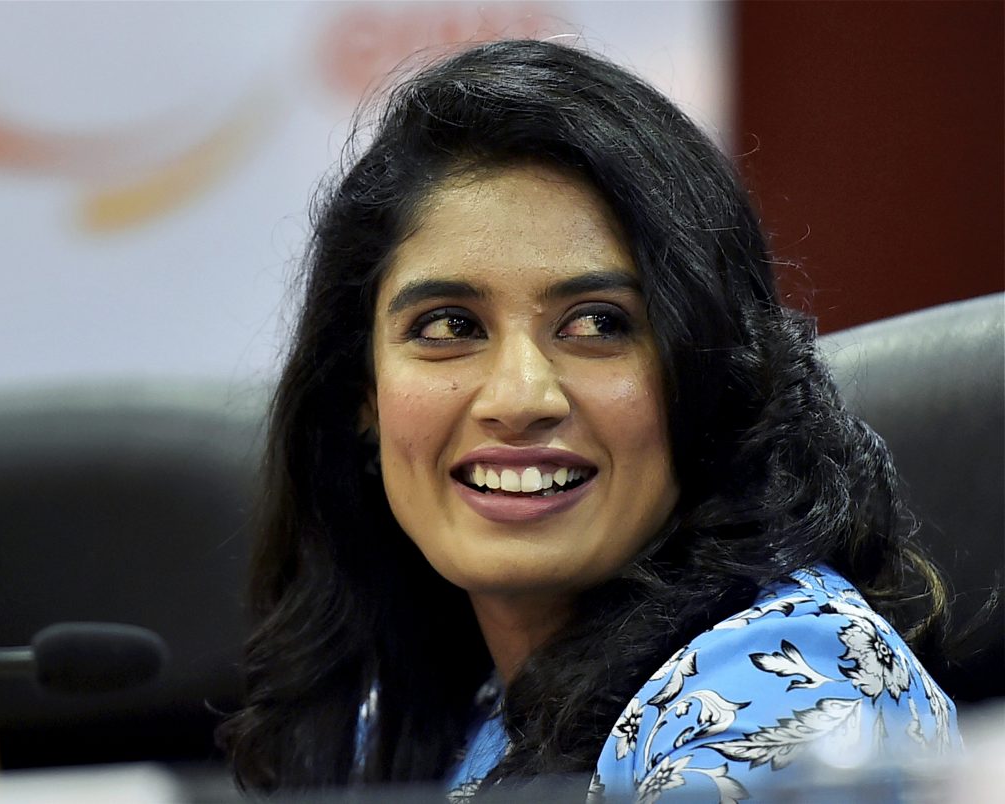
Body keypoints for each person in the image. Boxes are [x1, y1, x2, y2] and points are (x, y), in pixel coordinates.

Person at [220, 40, 959, 799]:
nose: (519, 398)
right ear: (363, 395)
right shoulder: (413, 710)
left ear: (712, 375)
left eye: (599, 323)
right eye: (449, 326)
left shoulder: (783, 680)